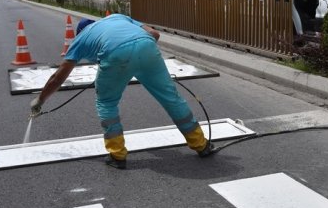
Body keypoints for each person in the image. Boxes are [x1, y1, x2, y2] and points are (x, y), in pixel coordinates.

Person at [30, 14, 214, 169]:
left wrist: (40, 100)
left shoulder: (80, 39)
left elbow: (58, 77)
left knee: (107, 102)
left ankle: (117, 155)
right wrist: (140, 57)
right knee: (171, 98)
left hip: (116, 56)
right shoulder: (117, 17)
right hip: (147, 46)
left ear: (80, 32)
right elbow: (154, 34)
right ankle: (200, 144)